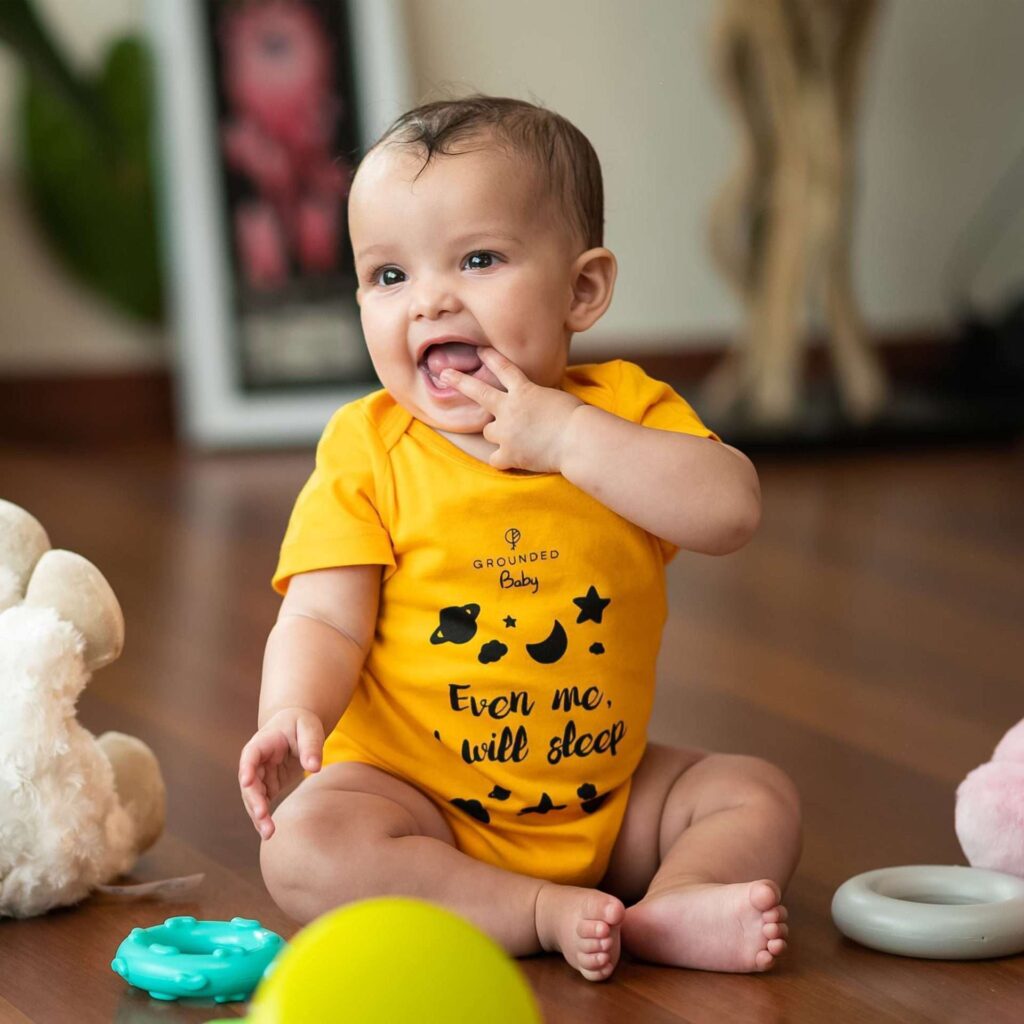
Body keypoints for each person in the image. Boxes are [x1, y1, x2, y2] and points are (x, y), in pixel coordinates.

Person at [239, 95, 802, 981]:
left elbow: (729, 509)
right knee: (305, 847)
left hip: (609, 800)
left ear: (582, 288)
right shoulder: (368, 449)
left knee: (753, 796)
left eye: (478, 258)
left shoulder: (622, 414)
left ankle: (675, 904)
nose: (429, 301)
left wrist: (569, 437)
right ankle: (530, 912)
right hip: (418, 802)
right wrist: (291, 711)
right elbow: (324, 619)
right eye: (389, 276)